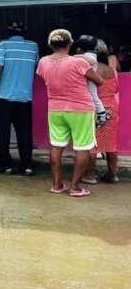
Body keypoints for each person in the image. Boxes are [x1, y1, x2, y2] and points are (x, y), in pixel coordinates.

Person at [36, 29, 104, 198]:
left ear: (50, 44)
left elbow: (45, 77)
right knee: (82, 147)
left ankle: (57, 184)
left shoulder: (43, 62)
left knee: (56, 145)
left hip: (56, 109)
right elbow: (99, 81)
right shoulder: (78, 63)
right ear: (70, 44)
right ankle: (74, 188)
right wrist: (82, 59)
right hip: (81, 109)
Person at [0, 21, 38, 176]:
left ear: (7, 31)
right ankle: (27, 166)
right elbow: (36, 67)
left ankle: (5, 165)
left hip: (5, 97)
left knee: (2, 132)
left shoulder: (2, 45)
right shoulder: (33, 47)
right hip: (25, 98)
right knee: (25, 133)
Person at [80, 39, 120, 184]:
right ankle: (112, 174)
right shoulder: (110, 69)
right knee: (110, 143)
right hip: (112, 107)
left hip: (99, 108)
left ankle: (90, 176)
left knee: (93, 143)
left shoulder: (94, 68)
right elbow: (115, 89)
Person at [72, 35, 110, 128]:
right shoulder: (90, 55)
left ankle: (102, 115)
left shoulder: (89, 56)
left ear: (79, 49)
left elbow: (92, 62)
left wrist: (77, 56)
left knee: (93, 94)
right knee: (93, 95)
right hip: (89, 78)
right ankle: (101, 114)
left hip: (90, 79)